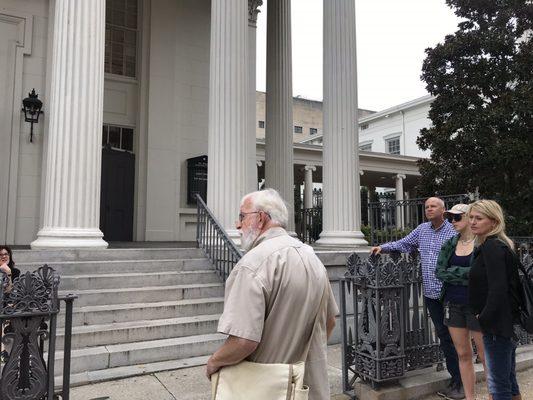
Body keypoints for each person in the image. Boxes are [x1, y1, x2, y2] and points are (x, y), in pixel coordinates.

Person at [206, 189, 339, 400]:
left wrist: (214, 361)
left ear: (260, 218)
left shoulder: (252, 265)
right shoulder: (313, 258)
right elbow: (330, 322)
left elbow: (243, 341)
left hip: (268, 390)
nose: (237, 225)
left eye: (242, 216)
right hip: (311, 389)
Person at [370, 197, 463, 399]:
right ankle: (456, 379)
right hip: (431, 294)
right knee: (444, 337)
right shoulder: (422, 230)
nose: (429, 209)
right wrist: (383, 247)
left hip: (451, 293)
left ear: (443, 210)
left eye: (433, 206)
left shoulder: (453, 230)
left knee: (457, 338)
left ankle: (461, 381)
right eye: (427, 206)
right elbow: (403, 243)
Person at [468, 200, 522, 400]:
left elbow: (498, 289)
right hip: (502, 323)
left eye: (479, 218)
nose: (472, 222)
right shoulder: (498, 245)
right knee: (508, 380)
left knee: (498, 386)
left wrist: (483, 317)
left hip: (496, 325)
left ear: (493, 222)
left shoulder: (492, 247)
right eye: (471, 217)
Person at [436, 204, 487, 400]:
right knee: (463, 355)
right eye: (450, 218)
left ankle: (494, 395)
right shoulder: (450, 243)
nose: (452, 222)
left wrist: (454, 274)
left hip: (477, 305)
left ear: (469, 218)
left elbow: (479, 274)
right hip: (453, 303)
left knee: (484, 356)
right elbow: (439, 272)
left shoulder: (482, 244)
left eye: (457, 218)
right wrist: (466, 275)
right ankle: (470, 397)